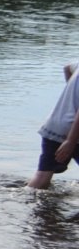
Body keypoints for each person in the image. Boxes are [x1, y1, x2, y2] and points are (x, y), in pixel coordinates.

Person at [28, 61, 79, 190]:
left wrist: (71, 99)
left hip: (55, 125)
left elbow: (67, 68)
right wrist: (70, 141)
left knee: (42, 176)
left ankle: (26, 204)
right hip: (73, 130)